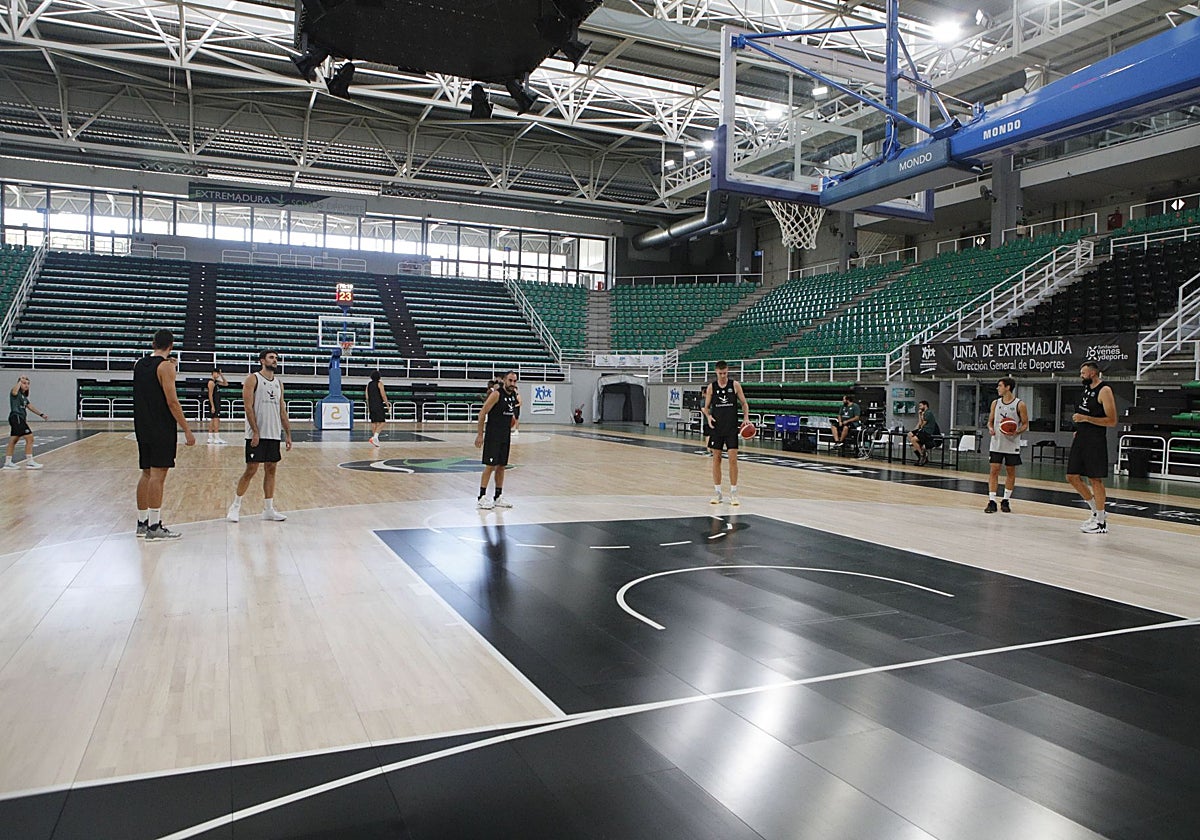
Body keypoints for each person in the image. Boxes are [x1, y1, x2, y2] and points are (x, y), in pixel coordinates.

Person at [132, 330, 196, 539]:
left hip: (142, 425)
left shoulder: (139, 364)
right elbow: (172, 401)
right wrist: (187, 429)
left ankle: (142, 523)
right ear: (171, 345)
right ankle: (154, 526)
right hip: (161, 426)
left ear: (153, 344)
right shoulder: (166, 366)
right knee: (158, 476)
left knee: (146, 473)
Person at [227, 350, 292, 523]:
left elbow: (282, 410)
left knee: (271, 469)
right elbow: (248, 407)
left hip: (273, 434)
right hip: (256, 434)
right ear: (262, 360)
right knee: (251, 470)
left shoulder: (279, 383)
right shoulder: (252, 379)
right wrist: (255, 431)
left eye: (277, 358)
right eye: (271, 357)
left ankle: (269, 509)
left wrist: (287, 434)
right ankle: (235, 507)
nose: (275, 360)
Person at [1067, 360, 1117, 534]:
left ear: (1093, 373)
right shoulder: (1086, 390)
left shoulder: (1105, 390)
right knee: (1072, 476)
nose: (1081, 376)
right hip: (1081, 437)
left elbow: (1112, 421)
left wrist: (1086, 419)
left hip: (1095, 440)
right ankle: (1096, 510)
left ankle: (1101, 522)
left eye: (1083, 373)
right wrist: (1079, 427)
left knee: (1095, 479)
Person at [701, 360, 750, 505]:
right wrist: (708, 417)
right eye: (720, 373)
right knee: (716, 459)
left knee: (733, 459)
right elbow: (706, 407)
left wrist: (746, 418)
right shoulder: (711, 387)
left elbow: (744, 403)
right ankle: (718, 493)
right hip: (717, 427)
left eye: (725, 373)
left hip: (731, 428)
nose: (723, 375)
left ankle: (734, 493)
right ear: (716, 372)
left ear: (727, 371)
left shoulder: (734, 385)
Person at [475, 370, 519, 509]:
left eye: (515, 381)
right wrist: (480, 434)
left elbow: (510, 416)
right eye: (510, 380)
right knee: (490, 466)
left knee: (501, 466)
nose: (512, 383)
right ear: (504, 380)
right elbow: (482, 413)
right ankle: (481, 496)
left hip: (505, 435)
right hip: (493, 435)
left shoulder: (513, 396)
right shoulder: (496, 394)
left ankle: (498, 496)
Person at [984, 377, 1029, 513]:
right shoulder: (995, 403)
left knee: (1010, 472)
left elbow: (1025, 424)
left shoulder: (1019, 404)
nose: (997, 388)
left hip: (1012, 443)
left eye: (1000, 386)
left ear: (1008, 387)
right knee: (994, 470)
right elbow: (990, 421)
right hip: (996, 442)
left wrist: (1016, 431)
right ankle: (992, 501)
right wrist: (990, 428)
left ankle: (1005, 500)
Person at [5, 375, 48, 470]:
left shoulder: (24, 397)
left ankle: (8, 462)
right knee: (30, 438)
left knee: (13, 440)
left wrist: (41, 414)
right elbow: (15, 391)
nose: (26, 385)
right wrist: (20, 380)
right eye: (24, 383)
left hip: (19, 419)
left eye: (28, 384)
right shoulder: (15, 392)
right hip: (16, 417)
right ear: (19, 384)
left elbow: (30, 407)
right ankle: (30, 462)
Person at [908, 400, 941, 466]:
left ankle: (923, 455)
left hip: (927, 431)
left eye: (920, 406)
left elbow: (922, 424)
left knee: (913, 440)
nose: (919, 407)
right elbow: (920, 423)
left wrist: (922, 416)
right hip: (923, 430)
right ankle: (920, 457)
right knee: (912, 440)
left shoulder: (928, 413)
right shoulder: (923, 413)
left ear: (925, 405)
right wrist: (919, 415)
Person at [205, 369, 229, 445]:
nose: (217, 375)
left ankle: (210, 437)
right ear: (212, 373)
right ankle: (216, 437)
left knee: (213, 420)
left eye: (218, 373)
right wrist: (212, 406)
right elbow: (210, 395)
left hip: (217, 403)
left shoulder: (217, 382)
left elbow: (226, 384)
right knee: (216, 420)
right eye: (216, 373)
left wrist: (222, 375)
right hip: (214, 403)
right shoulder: (211, 382)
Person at [366, 370, 390, 446]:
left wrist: (368, 406)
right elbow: (383, 395)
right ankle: (375, 437)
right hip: (378, 404)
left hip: (371, 404)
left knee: (374, 422)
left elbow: (367, 396)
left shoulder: (368, 384)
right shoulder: (380, 383)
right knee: (382, 422)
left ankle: (375, 440)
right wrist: (387, 404)